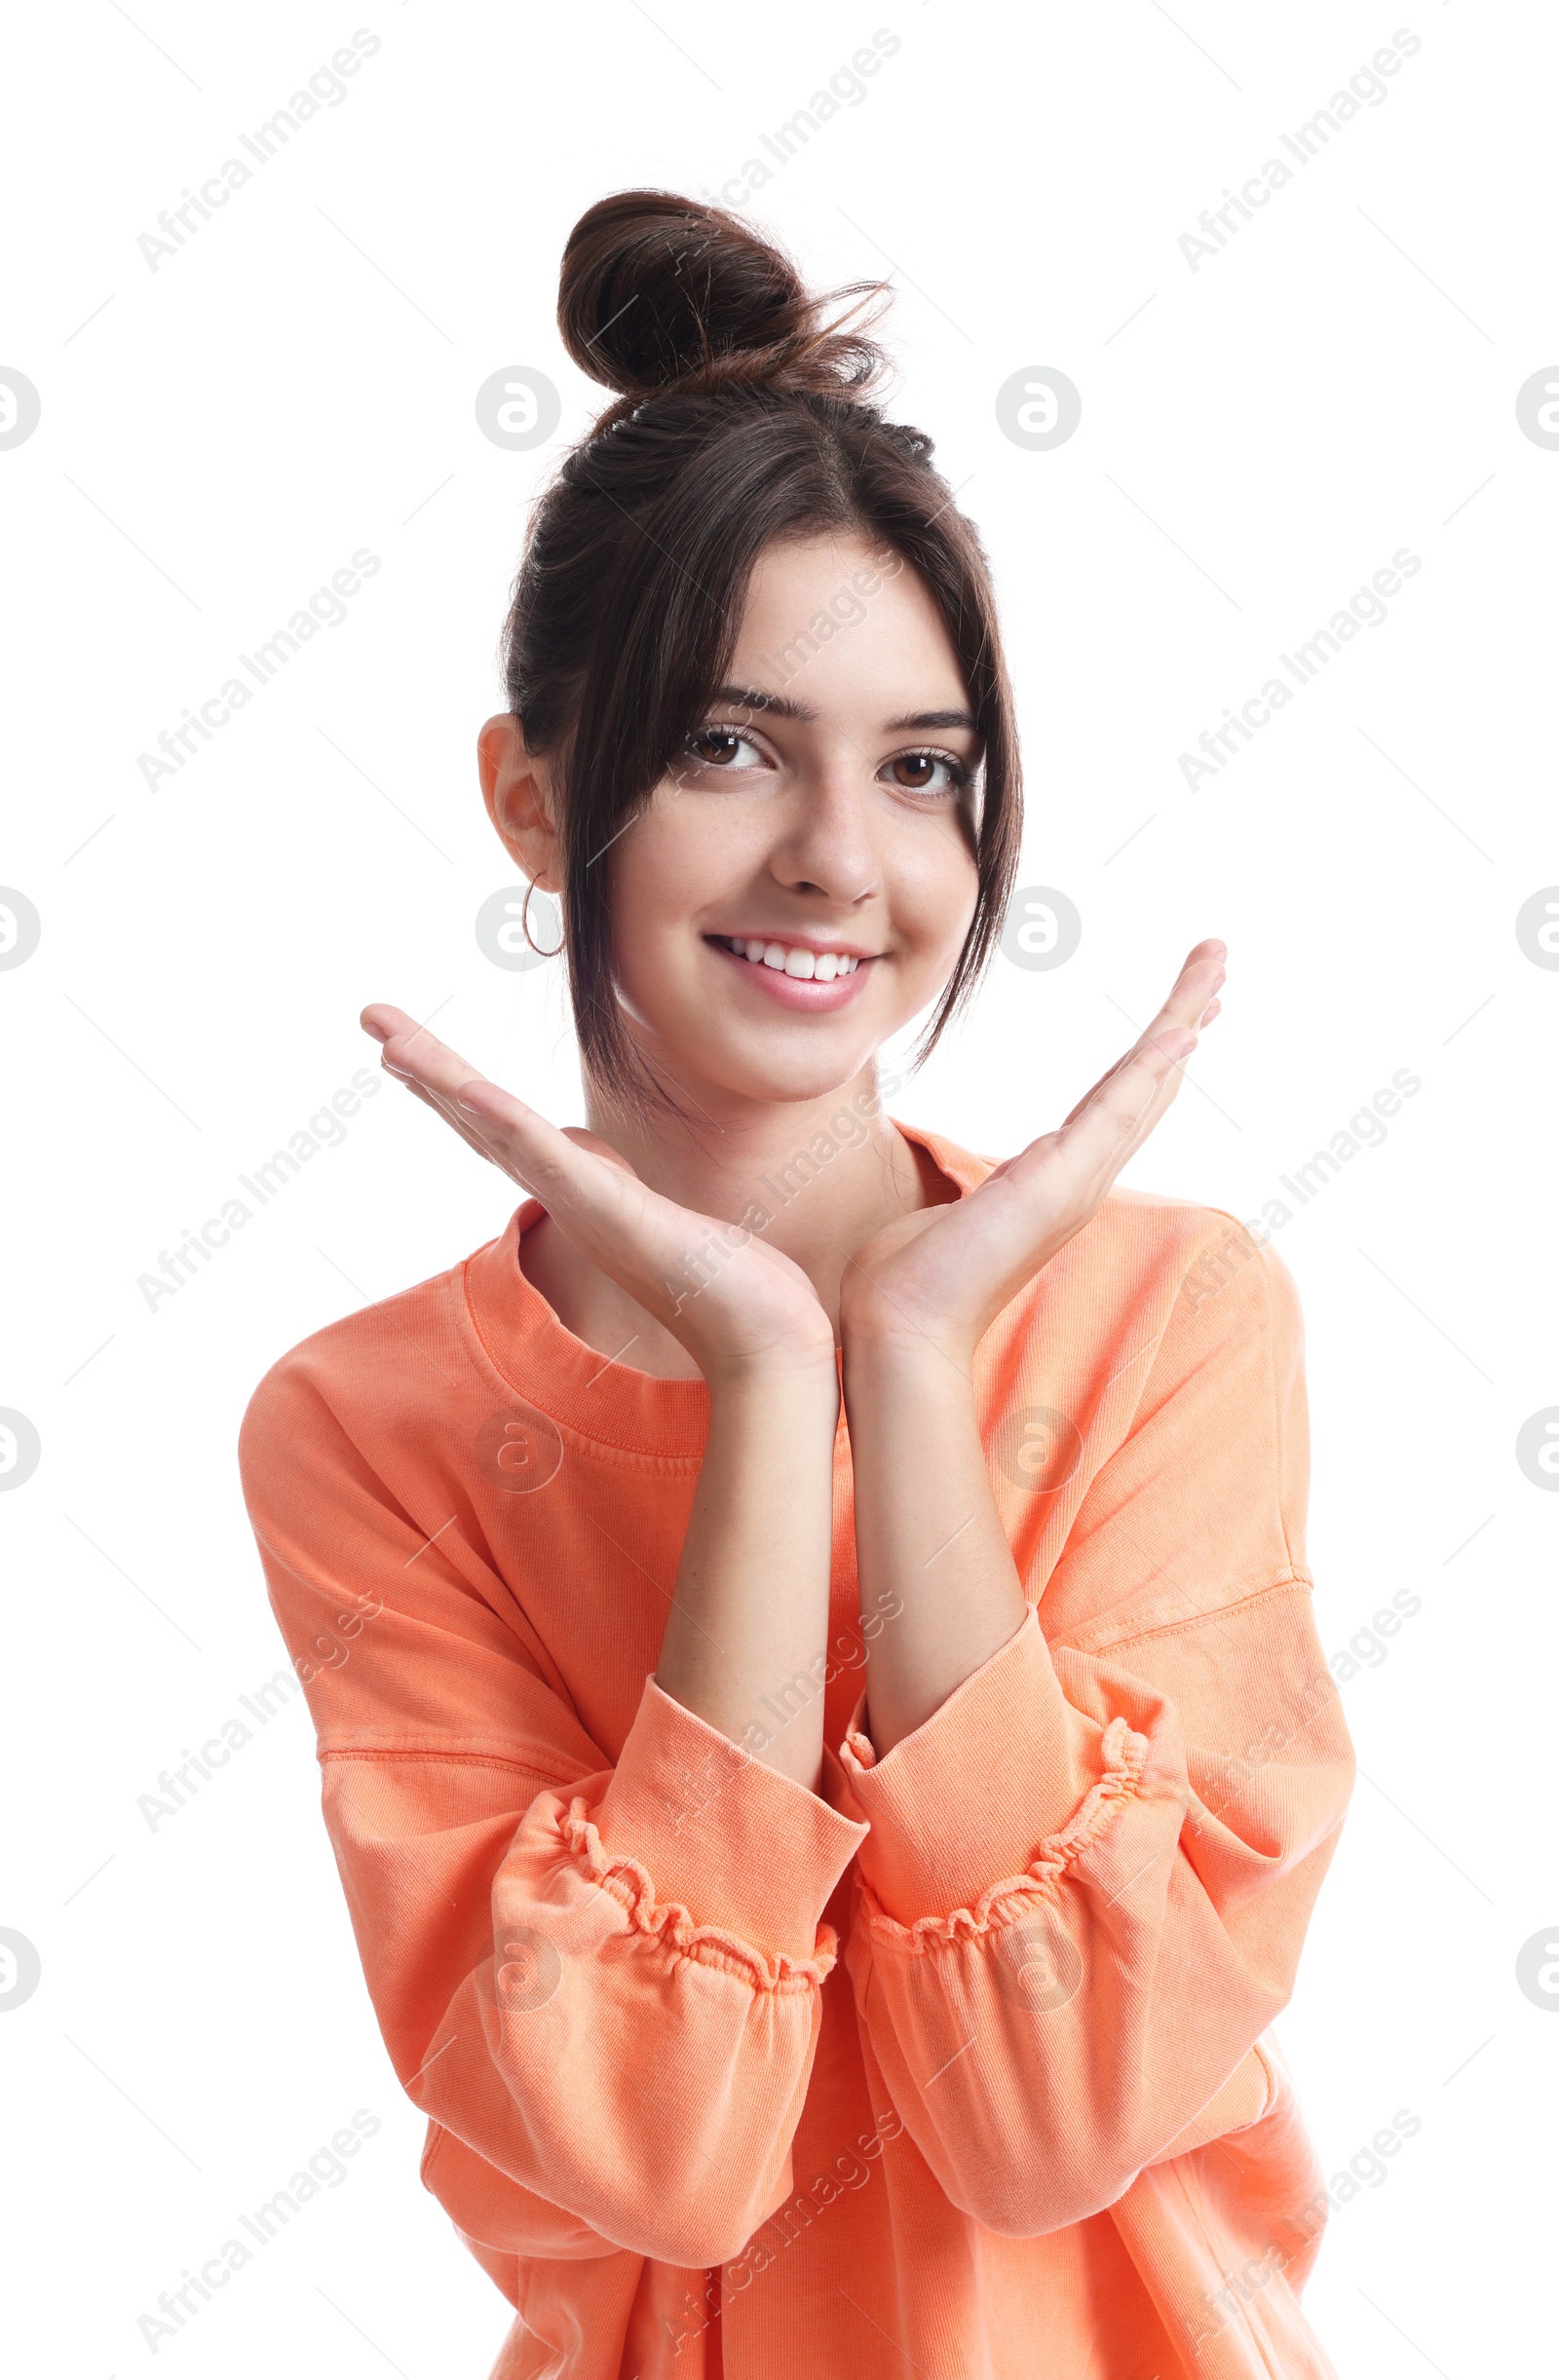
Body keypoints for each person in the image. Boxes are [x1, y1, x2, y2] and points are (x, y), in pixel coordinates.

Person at [238, 189, 1353, 2379]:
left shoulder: (1167, 1324)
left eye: (920, 769)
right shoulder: (366, 1429)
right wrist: (768, 1384)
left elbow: (1060, 2114)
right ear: (533, 801)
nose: (840, 857)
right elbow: (658, 2150)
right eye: (731, 745)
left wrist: (907, 1367)